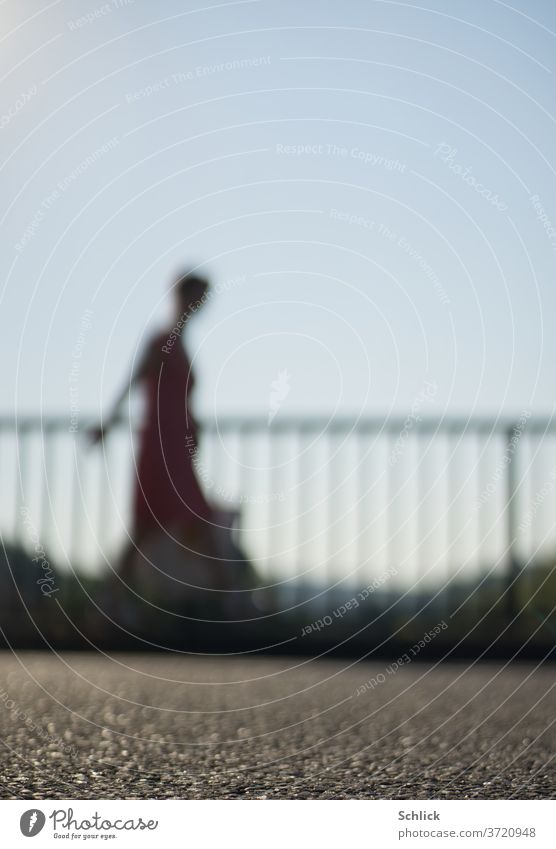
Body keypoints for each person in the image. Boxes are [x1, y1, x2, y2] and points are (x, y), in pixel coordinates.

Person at [90, 270, 214, 585]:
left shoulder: (180, 344)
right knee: (163, 522)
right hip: (161, 447)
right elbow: (132, 382)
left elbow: (177, 399)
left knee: (177, 521)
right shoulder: (162, 341)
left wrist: (192, 424)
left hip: (176, 448)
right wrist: (107, 425)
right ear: (182, 297)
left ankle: (230, 601)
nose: (199, 305)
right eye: (196, 297)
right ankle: (233, 604)